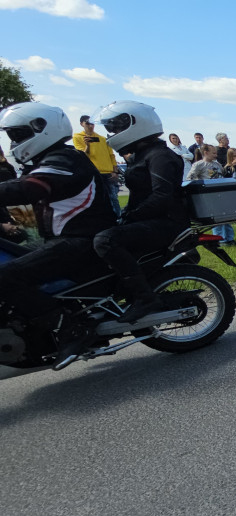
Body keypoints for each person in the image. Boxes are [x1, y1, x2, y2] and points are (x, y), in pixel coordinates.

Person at [0, 102, 118, 367]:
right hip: (62, 239)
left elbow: (30, 188)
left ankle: (70, 327)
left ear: (40, 129)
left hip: (81, 240)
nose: (13, 142)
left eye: (17, 135)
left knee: (4, 276)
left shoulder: (64, 159)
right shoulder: (46, 159)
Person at [92, 100, 190, 326]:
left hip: (167, 222)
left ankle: (145, 298)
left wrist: (130, 217)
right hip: (152, 219)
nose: (112, 133)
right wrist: (125, 215)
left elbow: (161, 196)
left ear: (134, 125)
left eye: (115, 128)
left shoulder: (159, 156)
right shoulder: (141, 155)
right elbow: (139, 196)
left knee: (105, 241)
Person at [73, 114, 121, 216]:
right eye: (87, 123)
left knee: (113, 198)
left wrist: (115, 171)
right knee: (96, 199)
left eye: (92, 124)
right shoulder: (78, 137)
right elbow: (82, 155)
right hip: (93, 173)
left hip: (108, 173)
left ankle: (118, 218)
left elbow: (111, 155)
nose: (90, 126)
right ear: (82, 124)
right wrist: (87, 146)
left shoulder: (103, 139)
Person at [187, 144, 232, 244]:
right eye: (214, 153)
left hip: (221, 194)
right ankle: (219, 238)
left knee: (226, 216)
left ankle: (229, 237)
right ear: (206, 153)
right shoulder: (199, 165)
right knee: (216, 218)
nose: (216, 155)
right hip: (209, 195)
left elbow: (223, 174)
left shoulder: (217, 164)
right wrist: (201, 186)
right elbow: (190, 178)